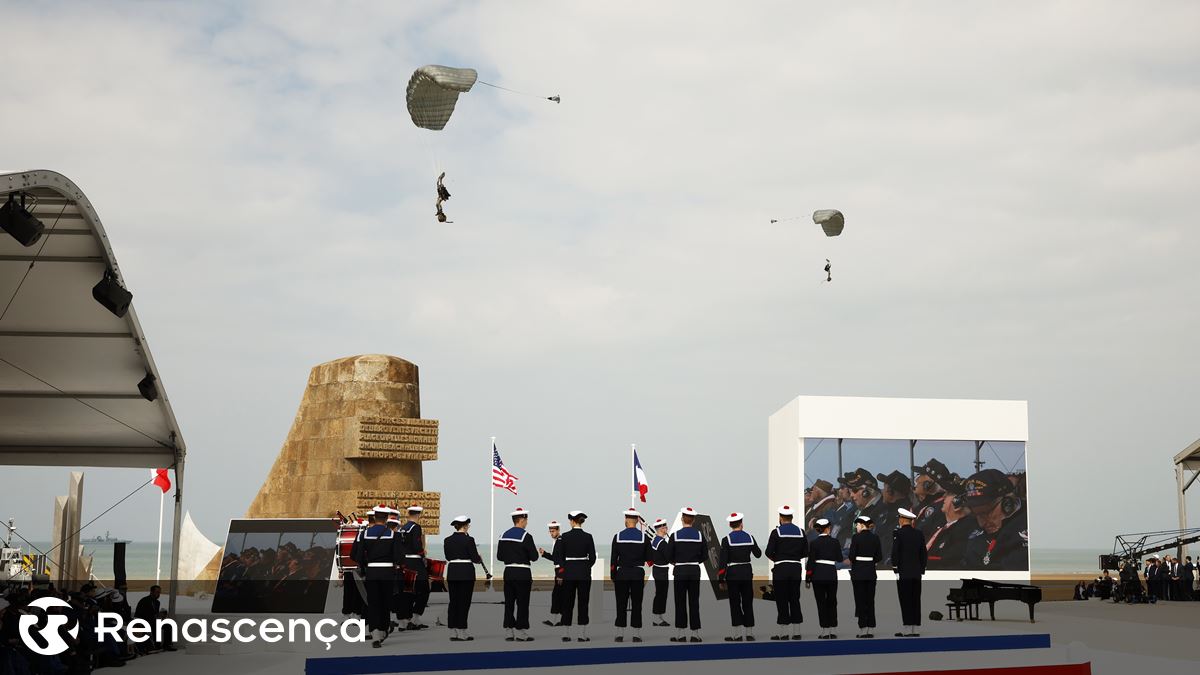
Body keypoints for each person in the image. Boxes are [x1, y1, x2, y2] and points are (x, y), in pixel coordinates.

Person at [350, 505, 401, 647]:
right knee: (385, 603)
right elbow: (399, 557)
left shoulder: (364, 534)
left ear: (374, 517)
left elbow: (356, 556)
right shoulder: (393, 535)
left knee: (373, 602)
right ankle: (383, 628)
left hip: (371, 572)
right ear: (386, 518)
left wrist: (366, 566)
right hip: (387, 573)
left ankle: (375, 632)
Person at [961, 469, 1029, 571]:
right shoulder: (973, 532)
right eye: (976, 514)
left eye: (986, 513)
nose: (982, 522)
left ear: (1008, 504)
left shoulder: (1029, 524)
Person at [765, 504, 807, 640]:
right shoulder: (801, 532)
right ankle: (797, 632)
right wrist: (793, 558)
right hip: (795, 568)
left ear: (780, 518)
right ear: (792, 517)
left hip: (781, 569)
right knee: (795, 598)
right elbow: (805, 552)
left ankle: (783, 632)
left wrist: (779, 559)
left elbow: (768, 552)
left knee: (782, 599)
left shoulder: (776, 532)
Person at [718, 512, 762, 642]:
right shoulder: (750, 537)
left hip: (732, 573)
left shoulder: (726, 540)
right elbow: (758, 554)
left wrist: (721, 579)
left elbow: (723, 562)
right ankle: (749, 633)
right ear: (741, 523)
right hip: (747, 572)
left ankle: (737, 634)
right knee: (748, 602)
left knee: (735, 603)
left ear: (730, 525)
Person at [497, 507, 539, 642]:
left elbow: (499, 556)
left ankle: (508, 631)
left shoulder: (503, 535)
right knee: (522, 603)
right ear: (521, 520)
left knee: (509, 603)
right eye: (526, 520)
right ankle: (521, 632)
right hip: (523, 572)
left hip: (508, 572)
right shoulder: (526, 536)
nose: (527, 522)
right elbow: (534, 557)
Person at [610, 508, 652, 642]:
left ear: (627, 520)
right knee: (637, 603)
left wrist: (613, 575)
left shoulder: (617, 536)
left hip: (622, 573)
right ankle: (636, 633)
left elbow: (613, 560)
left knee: (621, 603)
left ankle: (619, 633)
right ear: (636, 520)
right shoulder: (644, 537)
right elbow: (650, 559)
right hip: (637, 573)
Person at [554, 510, 597, 642]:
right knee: (583, 603)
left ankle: (566, 634)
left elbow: (559, 557)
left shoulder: (563, 537)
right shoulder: (588, 536)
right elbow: (593, 557)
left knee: (567, 602)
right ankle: (582, 634)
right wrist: (585, 566)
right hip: (584, 573)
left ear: (572, 521)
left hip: (568, 573)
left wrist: (561, 573)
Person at [667, 506, 707, 642]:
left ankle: (681, 634)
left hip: (680, 571)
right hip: (694, 570)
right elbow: (705, 556)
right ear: (693, 520)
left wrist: (676, 562)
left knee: (680, 602)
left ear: (682, 518)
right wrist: (695, 561)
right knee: (694, 601)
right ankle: (695, 634)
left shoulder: (675, 535)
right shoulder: (700, 535)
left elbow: (668, 555)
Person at [443, 515, 484, 641]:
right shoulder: (469, 540)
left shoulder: (447, 540)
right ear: (465, 526)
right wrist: (479, 557)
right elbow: (475, 559)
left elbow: (448, 557)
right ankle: (462, 631)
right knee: (464, 602)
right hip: (466, 572)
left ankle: (452, 631)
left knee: (453, 601)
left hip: (453, 572)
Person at [892, 507, 927, 637]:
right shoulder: (919, 534)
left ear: (902, 519)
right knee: (916, 599)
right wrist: (922, 568)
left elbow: (895, 553)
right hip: (917, 572)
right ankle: (916, 628)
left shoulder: (898, 533)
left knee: (905, 599)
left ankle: (907, 628)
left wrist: (895, 568)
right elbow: (923, 553)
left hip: (904, 572)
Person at [848, 515, 882, 638]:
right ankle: (871, 628)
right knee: (870, 601)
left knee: (861, 601)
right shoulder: (875, 538)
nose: (856, 527)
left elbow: (851, 556)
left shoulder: (856, 538)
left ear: (863, 525)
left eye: (857, 524)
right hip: (871, 572)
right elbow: (879, 557)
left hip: (859, 573)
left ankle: (863, 629)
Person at [807, 517, 841, 639]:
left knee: (821, 602)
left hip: (818, 574)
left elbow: (810, 562)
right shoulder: (835, 542)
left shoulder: (814, 543)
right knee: (832, 601)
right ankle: (833, 629)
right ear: (827, 529)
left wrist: (808, 577)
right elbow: (840, 558)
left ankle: (825, 630)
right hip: (831, 574)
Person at [399, 504, 430, 629]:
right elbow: (417, 545)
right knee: (424, 589)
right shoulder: (416, 527)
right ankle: (415, 617)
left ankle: (405, 618)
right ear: (418, 515)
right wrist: (423, 556)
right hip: (415, 562)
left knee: (408, 590)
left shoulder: (403, 527)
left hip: (405, 562)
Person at [925, 491, 974, 570]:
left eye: (949, 494)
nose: (944, 496)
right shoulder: (941, 522)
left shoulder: (964, 528)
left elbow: (948, 558)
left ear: (957, 503)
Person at [133, 585, 176, 653]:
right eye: (157, 592)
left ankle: (167, 644)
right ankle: (156, 645)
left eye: (159, 592)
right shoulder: (144, 601)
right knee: (156, 624)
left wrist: (160, 616)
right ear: (151, 592)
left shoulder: (157, 602)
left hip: (152, 620)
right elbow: (141, 614)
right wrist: (156, 616)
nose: (158, 594)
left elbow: (154, 614)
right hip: (143, 621)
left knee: (168, 624)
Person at [646, 518, 672, 627]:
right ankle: (657, 617)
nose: (666, 528)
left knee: (660, 593)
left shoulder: (656, 540)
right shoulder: (661, 542)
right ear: (660, 529)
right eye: (665, 527)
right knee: (661, 594)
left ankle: (658, 616)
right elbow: (669, 556)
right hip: (661, 570)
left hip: (659, 569)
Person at [538, 521, 564, 626]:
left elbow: (562, 560)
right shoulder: (556, 541)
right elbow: (555, 558)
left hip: (561, 571)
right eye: (550, 531)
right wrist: (544, 554)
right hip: (558, 570)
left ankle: (558, 619)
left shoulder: (561, 541)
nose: (551, 533)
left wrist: (560, 575)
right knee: (558, 595)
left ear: (558, 530)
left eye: (553, 531)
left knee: (558, 595)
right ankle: (557, 619)